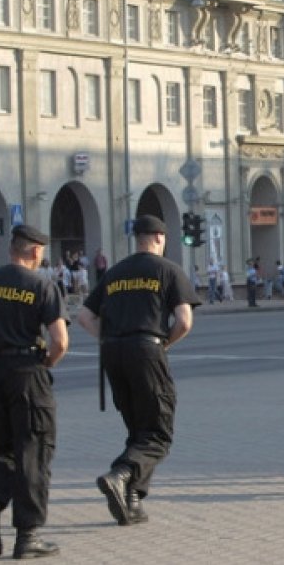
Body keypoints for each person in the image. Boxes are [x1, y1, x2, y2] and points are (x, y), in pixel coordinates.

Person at [77, 215, 200, 527]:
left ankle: (132, 501)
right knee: (159, 432)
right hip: (147, 349)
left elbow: (84, 316)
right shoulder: (168, 269)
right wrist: (163, 345)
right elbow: (184, 320)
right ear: (160, 238)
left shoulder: (115, 272)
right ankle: (120, 475)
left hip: (113, 353)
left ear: (137, 238)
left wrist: (107, 338)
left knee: (138, 429)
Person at [0, 225, 69, 559]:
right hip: (27, 374)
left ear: (12, 249)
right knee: (33, 453)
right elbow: (60, 341)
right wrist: (46, 364)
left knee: (4, 448)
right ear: (35, 251)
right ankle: (28, 535)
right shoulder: (41, 285)